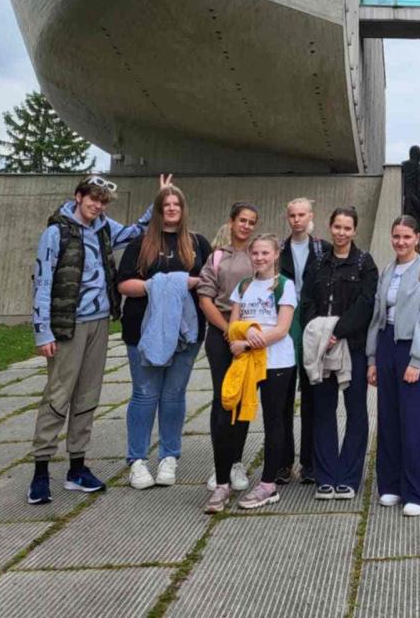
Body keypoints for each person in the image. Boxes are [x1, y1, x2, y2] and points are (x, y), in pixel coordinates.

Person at [27, 173, 165, 505]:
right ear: (79, 196)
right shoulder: (56, 232)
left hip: (99, 322)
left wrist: (158, 203)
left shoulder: (103, 227)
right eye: (93, 199)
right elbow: (42, 282)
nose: (98, 206)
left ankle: (77, 467)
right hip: (67, 325)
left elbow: (135, 232)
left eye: (103, 201)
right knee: (58, 395)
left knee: (88, 395)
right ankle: (41, 470)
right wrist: (42, 331)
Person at [117, 184, 211, 490]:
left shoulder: (197, 244)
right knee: (145, 394)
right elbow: (124, 284)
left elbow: (210, 282)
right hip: (143, 331)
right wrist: (158, 285)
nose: (171, 208)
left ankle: (169, 456)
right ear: (158, 210)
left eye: (176, 204)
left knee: (173, 395)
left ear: (183, 209)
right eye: (166, 204)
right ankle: (137, 460)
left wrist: (188, 283)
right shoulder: (140, 244)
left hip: (186, 333)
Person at [367, 215, 420, 517]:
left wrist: (417, 359)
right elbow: (378, 316)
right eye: (396, 236)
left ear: (417, 238)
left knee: (416, 421)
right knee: (389, 418)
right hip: (387, 345)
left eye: (406, 237)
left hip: (415, 348)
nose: (400, 242)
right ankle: (391, 484)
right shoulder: (388, 270)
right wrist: (372, 358)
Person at [214, 233, 299, 511]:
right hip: (246, 363)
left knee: (274, 422)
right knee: (230, 419)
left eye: (265, 253)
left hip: (276, 363)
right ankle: (222, 484)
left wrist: (248, 341)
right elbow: (233, 325)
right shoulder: (244, 285)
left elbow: (282, 328)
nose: (260, 258)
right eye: (256, 253)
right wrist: (242, 335)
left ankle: (267, 484)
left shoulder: (284, 285)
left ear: (276, 255)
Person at [300, 206, 377, 500]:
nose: (342, 233)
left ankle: (349, 476)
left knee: (356, 411)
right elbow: (307, 301)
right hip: (321, 348)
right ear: (330, 227)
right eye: (337, 227)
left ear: (354, 231)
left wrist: (338, 331)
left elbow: (367, 304)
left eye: (347, 228)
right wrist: (319, 333)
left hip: (352, 346)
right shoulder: (318, 262)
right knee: (323, 410)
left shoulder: (364, 263)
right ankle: (326, 476)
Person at [196, 202, 259, 497]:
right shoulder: (217, 256)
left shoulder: (258, 255)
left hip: (250, 336)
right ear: (232, 222)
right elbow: (205, 298)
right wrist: (226, 329)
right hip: (221, 332)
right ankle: (219, 463)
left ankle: (236, 461)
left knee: (244, 397)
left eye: (251, 222)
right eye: (242, 220)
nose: (246, 226)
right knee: (223, 398)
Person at [280, 197, 325, 484]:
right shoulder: (278, 250)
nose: (297, 219)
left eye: (301, 214)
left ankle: (310, 462)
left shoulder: (322, 250)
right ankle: (283, 461)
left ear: (310, 216)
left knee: (312, 395)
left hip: (312, 323)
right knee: (282, 395)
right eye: (292, 215)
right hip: (284, 324)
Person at [400, 146, 420, 227]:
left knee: (407, 215)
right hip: (416, 196)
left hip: (407, 194)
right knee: (417, 217)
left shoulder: (404, 164)